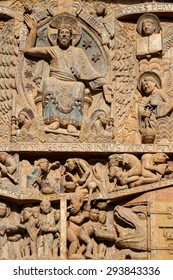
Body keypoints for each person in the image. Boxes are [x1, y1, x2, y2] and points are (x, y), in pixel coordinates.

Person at [24, 12, 112, 133]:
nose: (64, 36)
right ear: (57, 37)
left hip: (72, 81)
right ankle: (54, 121)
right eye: (62, 34)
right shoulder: (52, 50)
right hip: (55, 80)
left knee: (80, 86)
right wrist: (33, 29)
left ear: (71, 37)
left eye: (67, 33)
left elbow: (89, 71)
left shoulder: (78, 52)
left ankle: (73, 123)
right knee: (49, 83)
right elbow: (28, 50)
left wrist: (104, 84)